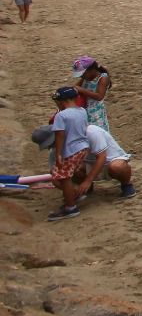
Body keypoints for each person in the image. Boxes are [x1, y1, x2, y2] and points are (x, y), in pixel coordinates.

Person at [47, 86, 91, 221]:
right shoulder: (82, 111)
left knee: (63, 177)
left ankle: (70, 206)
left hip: (70, 149)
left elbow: (59, 135)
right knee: (63, 176)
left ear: (62, 101)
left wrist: (59, 154)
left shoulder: (61, 115)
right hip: (83, 147)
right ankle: (74, 196)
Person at [73, 59, 112, 131]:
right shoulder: (85, 78)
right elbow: (75, 87)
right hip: (84, 111)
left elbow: (99, 96)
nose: (81, 77)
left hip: (96, 113)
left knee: (98, 132)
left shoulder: (103, 78)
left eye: (82, 74)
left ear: (91, 70)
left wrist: (82, 90)